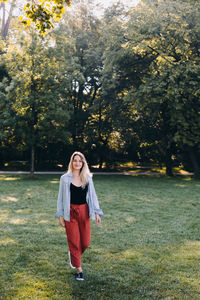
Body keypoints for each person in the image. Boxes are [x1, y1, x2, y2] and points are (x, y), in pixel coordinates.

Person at [56, 151, 103, 281]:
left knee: (86, 242)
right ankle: (79, 269)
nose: (77, 163)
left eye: (79, 161)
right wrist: (60, 215)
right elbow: (60, 198)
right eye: (75, 160)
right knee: (74, 241)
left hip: (84, 211)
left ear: (83, 163)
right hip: (70, 212)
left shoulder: (87, 178)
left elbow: (93, 196)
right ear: (72, 162)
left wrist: (97, 212)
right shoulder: (64, 178)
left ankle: (73, 256)